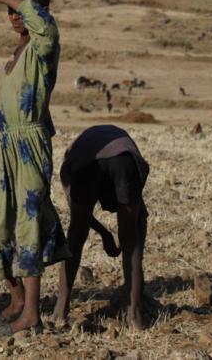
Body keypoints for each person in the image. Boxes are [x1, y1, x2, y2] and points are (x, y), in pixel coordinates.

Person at [0, 0, 71, 336]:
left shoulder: (44, 45)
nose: (14, 15)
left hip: (30, 143)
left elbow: (42, 24)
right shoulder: (18, 52)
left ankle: (32, 313)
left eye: (21, 8)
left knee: (30, 225)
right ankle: (16, 299)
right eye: (9, 10)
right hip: (8, 146)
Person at [52, 124, 149, 331]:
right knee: (130, 241)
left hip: (88, 162)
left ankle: (61, 308)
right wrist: (108, 235)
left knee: (76, 236)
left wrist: (105, 234)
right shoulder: (120, 148)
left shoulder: (73, 158)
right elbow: (139, 218)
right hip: (124, 160)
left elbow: (79, 216)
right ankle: (135, 316)